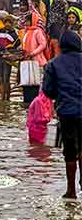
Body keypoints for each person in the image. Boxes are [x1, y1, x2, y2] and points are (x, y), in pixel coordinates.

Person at [41, 30, 82, 199]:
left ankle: (71, 190)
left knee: (70, 151)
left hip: (66, 112)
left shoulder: (53, 64)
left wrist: (60, 96)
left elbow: (48, 90)